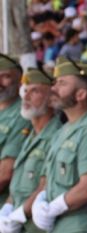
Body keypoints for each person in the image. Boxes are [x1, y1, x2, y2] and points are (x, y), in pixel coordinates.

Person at [31, 57, 87, 232]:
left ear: (81, 95)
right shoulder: (63, 131)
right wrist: (40, 200)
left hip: (83, 223)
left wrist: (55, 207)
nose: (53, 88)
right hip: (62, 223)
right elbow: (48, 179)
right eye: (55, 83)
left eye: (62, 84)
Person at [0, 68, 62, 233]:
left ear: (51, 99)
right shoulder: (31, 137)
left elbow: (46, 185)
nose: (25, 97)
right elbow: (18, 184)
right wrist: (7, 207)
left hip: (38, 226)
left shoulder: (56, 135)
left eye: (34, 91)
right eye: (25, 91)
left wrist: (20, 214)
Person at [0, 54, 31, 205]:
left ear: (19, 80)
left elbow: (5, 173)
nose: (0, 82)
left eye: (5, 76)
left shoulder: (22, 114)